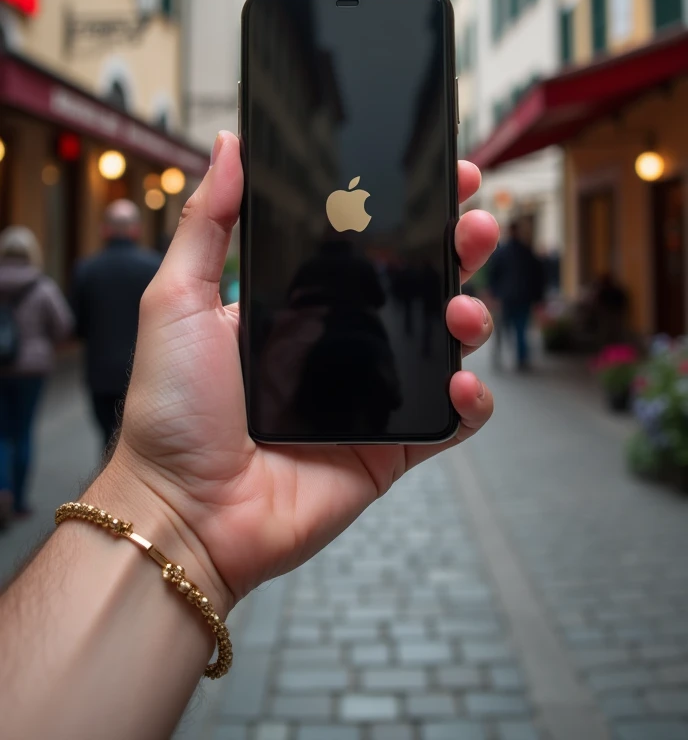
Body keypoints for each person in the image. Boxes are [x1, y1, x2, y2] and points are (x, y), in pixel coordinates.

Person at [0, 133, 499, 739]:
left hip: (283, 365)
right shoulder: (364, 271)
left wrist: (161, 499)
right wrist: (169, 499)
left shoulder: (309, 266)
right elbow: (378, 301)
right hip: (365, 362)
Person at [71, 200, 162, 451]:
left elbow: (77, 326)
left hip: (99, 372)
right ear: (136, 230)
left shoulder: (86, 269)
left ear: (105, 230)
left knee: (107, 440)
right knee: (135, 444)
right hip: (142, 371)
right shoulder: (154, 267)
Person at [0, 227, 73, 525]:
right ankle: (17, 503)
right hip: (33, 369)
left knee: (2, 433)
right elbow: (64, 325)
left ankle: (2, 490)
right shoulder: (42, 286)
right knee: (23, 431)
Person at [488, 220, 544, 370]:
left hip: (506, 297)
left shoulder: (501, 252)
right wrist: (538, 297)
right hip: (523, 297)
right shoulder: (527, 251)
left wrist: (493, 294)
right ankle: (521, 360)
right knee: (521, 329)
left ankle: (498, 357)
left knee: (501, 329)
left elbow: (493, 275)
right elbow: (537, 276)